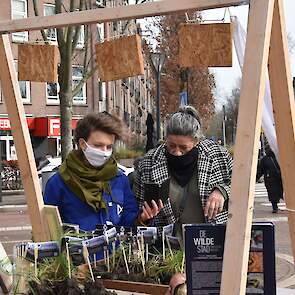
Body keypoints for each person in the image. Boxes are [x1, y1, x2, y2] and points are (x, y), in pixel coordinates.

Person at [44, 113, 163, 232]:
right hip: (76, 249)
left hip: (114, 250)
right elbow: (48, 231)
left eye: (109, 146)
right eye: (98, 145)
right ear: (82, 144)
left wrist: (142, 219)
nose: (104, 152)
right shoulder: (58, 183)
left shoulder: (119, 179)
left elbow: (128, 222)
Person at [134, 106, 233, 235]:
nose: (177, 153)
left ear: (197, 141)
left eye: (183, 147)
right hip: (167, 248)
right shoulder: (148, 163)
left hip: (212, 243)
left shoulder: (218, 155)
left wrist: (222, 191)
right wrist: (143, 219)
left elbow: (242, 188)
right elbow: (135, 215)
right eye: (171, 146)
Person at [256, 147, 283, 213]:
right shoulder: (280, 157)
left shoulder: (265, 159)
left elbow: (260, 170)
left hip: (270, 179)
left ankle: (275, 207)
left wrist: (256, 178)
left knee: (272, 193)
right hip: (280, 178)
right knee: (281, 192)